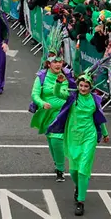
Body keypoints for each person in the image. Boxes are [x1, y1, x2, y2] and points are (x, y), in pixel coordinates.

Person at [47, 73, 109, 217]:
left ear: (90, 87)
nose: (83, 88)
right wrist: (58, 82)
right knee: (74, 171)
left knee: (83, 170)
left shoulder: (95, 100)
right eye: (81, 85)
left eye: (86, 86)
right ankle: (79, 187)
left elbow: (99, 118)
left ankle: (81, 201)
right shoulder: (72, 97)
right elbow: (57, 93)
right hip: (73, 136)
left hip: (89, 136)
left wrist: (105, 133)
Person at [30, 52, 71, 181]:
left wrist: (59, 86)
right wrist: (42, 103)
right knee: (50, 138)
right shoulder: (41, 77)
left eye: (60, 61)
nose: (58, 64)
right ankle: (57, 163)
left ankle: (60, 169)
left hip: (62, 113)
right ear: (49, 63)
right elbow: (35, 94)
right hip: (46, 113)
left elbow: (64, 95)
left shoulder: (66, 76)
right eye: (55, 62)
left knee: (56, 138)